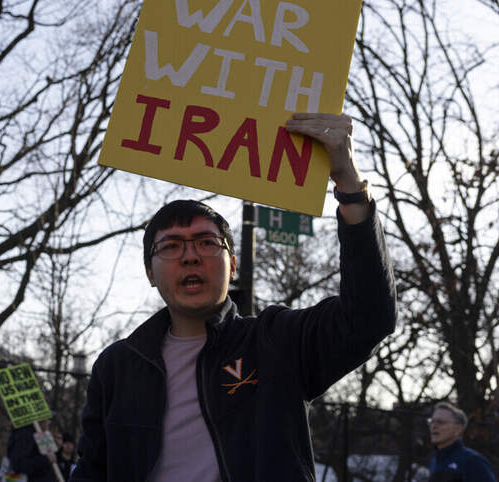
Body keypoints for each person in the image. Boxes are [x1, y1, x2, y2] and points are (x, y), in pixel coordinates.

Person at [71, 113, 397, 481]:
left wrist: (350, 186)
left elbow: (369, 318)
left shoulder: (277, 342)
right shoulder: (116, 367)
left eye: (207, 243)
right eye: (171, 246)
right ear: (149, 272)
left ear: (233, 265)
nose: (190, 256)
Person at [427, 402, 497, 482]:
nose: (433, 426)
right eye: (431, 422)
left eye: (440, 422)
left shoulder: (473, 461)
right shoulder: (434, 461)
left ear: (458, 429)